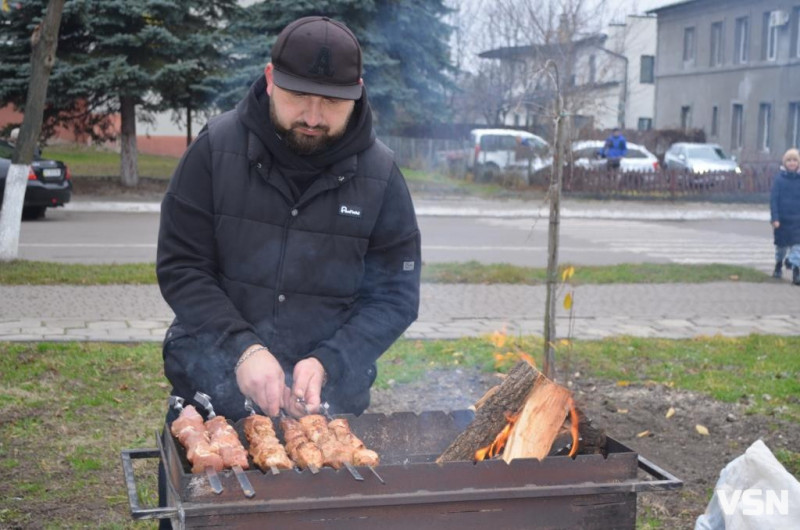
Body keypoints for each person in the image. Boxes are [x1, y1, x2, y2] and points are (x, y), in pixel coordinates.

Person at [156, 15, 421, 423]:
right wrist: (241, 348)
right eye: (298, 95)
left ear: (358, 94)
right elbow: (182, 266)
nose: (313, 117)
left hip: (326, 410)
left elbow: (395, 296)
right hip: (209, 399)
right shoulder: (214, 150)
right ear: (269, 79)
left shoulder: (381, 175)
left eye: (332, 102)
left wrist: (330, 360)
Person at [770, 148, 800, 283]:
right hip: (782, 220)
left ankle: (796, 272)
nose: (792, 163)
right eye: (789, 160)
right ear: (785, 163)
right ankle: (778, 264)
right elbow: (774, 200)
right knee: (781, 247)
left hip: (797, 221)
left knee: (797, 247)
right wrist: (775, 218)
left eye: (795, 160)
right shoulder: (779, 180)